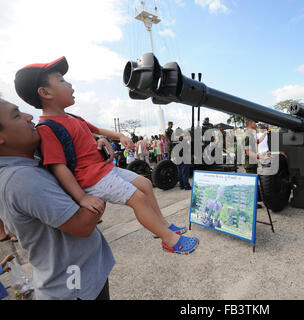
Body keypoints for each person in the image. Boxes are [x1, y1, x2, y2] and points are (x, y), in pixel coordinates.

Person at [14, 57, 198, 255]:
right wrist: (82, 197)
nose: (70, 84)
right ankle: (169, 240)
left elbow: (97, 130)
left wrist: (118, 135)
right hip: (93, 179)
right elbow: (58, 167)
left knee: (145, 185)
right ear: (45, 92)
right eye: (61, 80)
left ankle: (161, 225)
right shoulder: (48, 128)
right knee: (138, 198)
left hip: (106, 170)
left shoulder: (73, 118)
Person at [0, 96, 114, 299]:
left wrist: (91, 148)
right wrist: (103, 177)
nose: (29, 117)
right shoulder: (20, 178)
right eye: (17, 115)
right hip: (74, 288)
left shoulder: (29, 161)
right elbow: (83, 224)